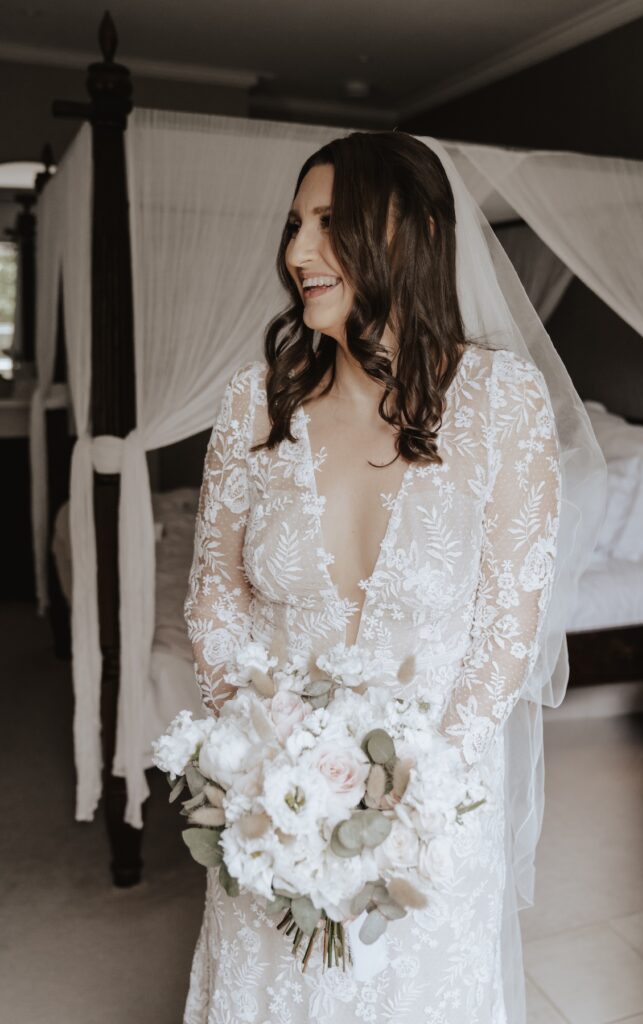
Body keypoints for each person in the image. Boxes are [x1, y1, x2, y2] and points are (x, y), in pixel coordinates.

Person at [181, 131, 604, 1023]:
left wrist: (407, 802)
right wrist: (261, 763)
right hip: (274, 812)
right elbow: (216, 599)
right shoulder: (253, 402)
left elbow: (505, 635)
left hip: (432, 816)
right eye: (294, 225)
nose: (297, 253)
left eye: (328, 224)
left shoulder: (502, 404)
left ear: (413, 233)